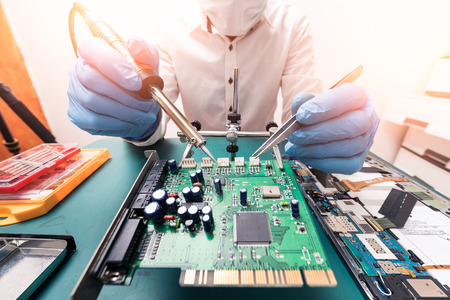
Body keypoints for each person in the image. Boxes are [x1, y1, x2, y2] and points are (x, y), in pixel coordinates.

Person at [67, 0, 379, 174]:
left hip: (264, 155)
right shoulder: (169, 24)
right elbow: (157, 113)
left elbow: (300, 110)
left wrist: (327, 125)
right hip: (194, 156)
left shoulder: (291, 23)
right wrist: (138, 120)